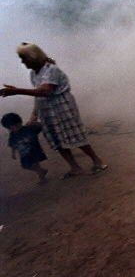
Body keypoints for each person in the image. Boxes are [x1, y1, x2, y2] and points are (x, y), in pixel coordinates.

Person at [0, 42, 107, 179]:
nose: (22, 62)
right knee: (57, 140)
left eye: (23, 58)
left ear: (32, 57)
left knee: (74, 135)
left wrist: (16, 91)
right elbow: (38, 94)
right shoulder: (34, 74)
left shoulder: (51, 70)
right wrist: (34, 114)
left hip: (62, 107)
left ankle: (97, 161)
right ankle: (75, 167)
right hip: (47, 111)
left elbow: (45, 91)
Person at [1, 112, 48, 183]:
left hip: (35, 151)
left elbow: (40, 127)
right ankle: (41, 171)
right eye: (9, 128)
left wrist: (34, 122)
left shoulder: (28, 129)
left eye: (13, 127)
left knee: (35, 164)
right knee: (26, 166)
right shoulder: (13, 135)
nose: (12, 130)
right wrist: (13, 153)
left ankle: (41, 176)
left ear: (19, 123)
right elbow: (12, 145)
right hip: (24, 154)